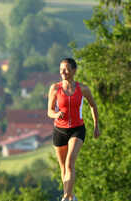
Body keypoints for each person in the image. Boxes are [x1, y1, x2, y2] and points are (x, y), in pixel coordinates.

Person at [47, 58, 100, 201]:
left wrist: (96, 126)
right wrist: (56, 114)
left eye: (66, 69)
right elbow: (50, 111)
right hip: (59, 130)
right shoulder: (55, 88)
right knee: (63, 167)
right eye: (61, 69)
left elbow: (93, 106)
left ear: (74, 70)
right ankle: (70, 196)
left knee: (70, 162)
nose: (63, 71)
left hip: (77, 129)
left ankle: (65, 197)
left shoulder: (83, 88)